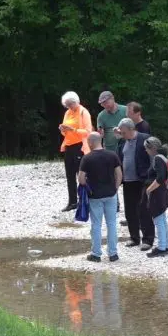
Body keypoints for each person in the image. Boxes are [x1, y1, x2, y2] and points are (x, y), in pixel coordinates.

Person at [78, 132, 122, 263]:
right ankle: (113, 254)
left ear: (91, 142)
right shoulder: (112, 155)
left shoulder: (87, 158)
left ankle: (96, 254)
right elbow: (119, 175)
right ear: (101, 141)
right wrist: (115, 188)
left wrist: (87, 186)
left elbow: (81, 179)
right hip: (111, 194)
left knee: (96, 225)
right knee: (112, 224)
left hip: (95, 196)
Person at [117, 118, 154, 250]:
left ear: (132, 129)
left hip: (142, 180)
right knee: (130, 210)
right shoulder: (122, 141)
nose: (122, 135)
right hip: (127, 181)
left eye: (124, 132)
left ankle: (148, 239)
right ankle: (134, 238)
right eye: (121, 132)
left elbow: (153, 158)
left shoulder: (145, 139)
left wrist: (151, 177)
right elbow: (119, 159)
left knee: (144, 210)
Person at [59, 91, 93, 212]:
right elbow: (65, 132)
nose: (69, 107)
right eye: (67, 105)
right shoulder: (67, 113)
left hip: (80, 146)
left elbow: (88, 131)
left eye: (70, 104)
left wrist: (73, 129)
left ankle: (85, 200)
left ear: (75, 101)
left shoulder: (84, 112)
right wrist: (63, 129)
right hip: (68, 145)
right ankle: (72, 201)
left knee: (82, 175)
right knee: (69, 174)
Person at [142, 137, 168, 258]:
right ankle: (165, 245)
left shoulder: (157, 159)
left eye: (146, 148)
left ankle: (161, 248)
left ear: (152, 148)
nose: (145, 151)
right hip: (162, 192)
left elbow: (160, 178)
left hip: (157, 193)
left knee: (158, 220)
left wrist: (149, 189)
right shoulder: (164, 157)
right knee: (162, 220)